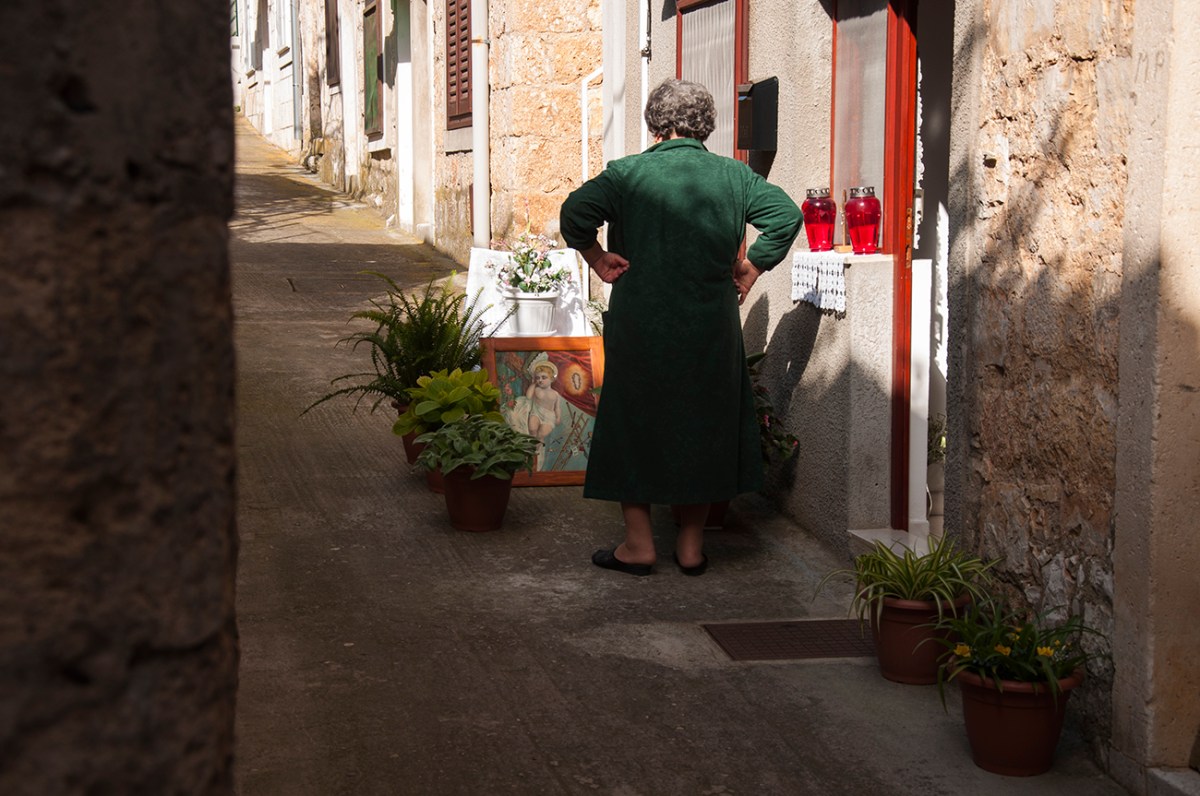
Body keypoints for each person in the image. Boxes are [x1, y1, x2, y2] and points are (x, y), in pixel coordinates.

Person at [559, 78, 801, 577]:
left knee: (634, 424)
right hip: (709, 327)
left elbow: (575, 214)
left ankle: (638, 546)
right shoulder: (734, 176)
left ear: (656, 125)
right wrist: (751, 266)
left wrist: (597, 257)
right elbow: (785, 215)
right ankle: (690, 548)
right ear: (705, 126)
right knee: (702, 424)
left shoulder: (627, 174)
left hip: (641, 325)